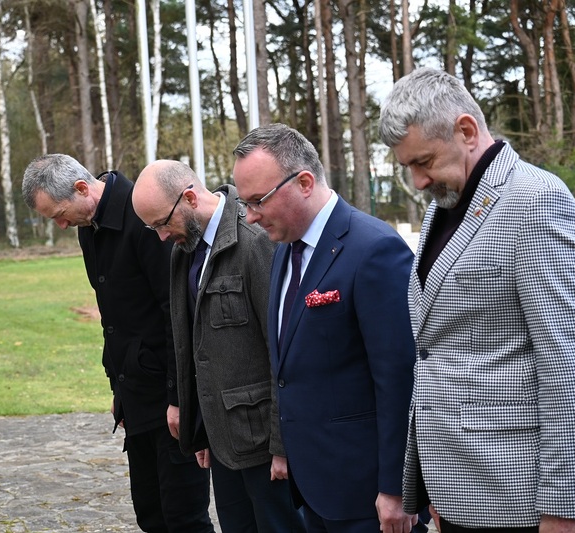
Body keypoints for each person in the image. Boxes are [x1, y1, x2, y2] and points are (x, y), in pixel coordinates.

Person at [379, 67, 575, 533]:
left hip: (521, 498)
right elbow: (438, 347)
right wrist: (431, 483)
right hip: (458, 487)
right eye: (408, 168)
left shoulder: (536, 201)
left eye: (423, 161)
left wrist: (565, 510)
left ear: (466, 129)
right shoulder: (449, 201)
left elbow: (571, 366)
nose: (418, 181)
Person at [231, 123, 425, 533]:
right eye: (243, 203)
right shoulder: (285, 250)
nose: (249, 216)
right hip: (312, 488)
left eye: (257, 201)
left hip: (366, 496)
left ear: (303, 182)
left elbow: (400, 381)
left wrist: (396, 488)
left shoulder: (373, 249)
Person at [21, 154, 214, 533]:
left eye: (60, 213)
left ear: (82, 188)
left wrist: (179, 398)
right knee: (150, 511)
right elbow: (115, 318)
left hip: (171, 394)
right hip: (136, 393)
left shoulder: (145, 216)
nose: (60, 224)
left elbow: (176, 311)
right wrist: (120, 389)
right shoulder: (88, 227)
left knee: (183, 516)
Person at [131, 159, 305, 532]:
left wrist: (283, 446)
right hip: (223, 442)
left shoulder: (255, 241)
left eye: (162, 223)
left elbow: (282, 352)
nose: (161, 237)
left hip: (264, 445)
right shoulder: (185, 248)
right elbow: (190, 344)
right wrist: (200, 427)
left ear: (190, 198)